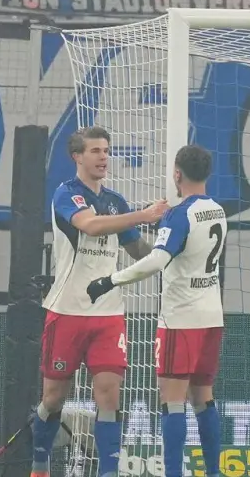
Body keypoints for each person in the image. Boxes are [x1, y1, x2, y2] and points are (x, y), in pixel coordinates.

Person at [29, 127, 167, 477]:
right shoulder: (67, 195)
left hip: (108, 314)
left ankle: (108, 472)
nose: (104, 157)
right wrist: (144, 215)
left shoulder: (115, 202)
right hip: (67, 312)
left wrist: (170, 252)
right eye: (95, 151)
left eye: (106, 150)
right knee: (53, 399)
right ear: (77, 156)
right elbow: (89, 226)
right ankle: (40, 462)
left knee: (108, 396)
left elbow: (138, 252)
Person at [86, 145, 226, 477]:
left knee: (172, 399)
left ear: (177, 174)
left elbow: (157, 261)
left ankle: (174, 473)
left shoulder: (181, 214)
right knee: (204, 397)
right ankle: (214, 472)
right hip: (212, 316)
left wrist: (111, 280)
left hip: (181, 318)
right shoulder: (217, 210)